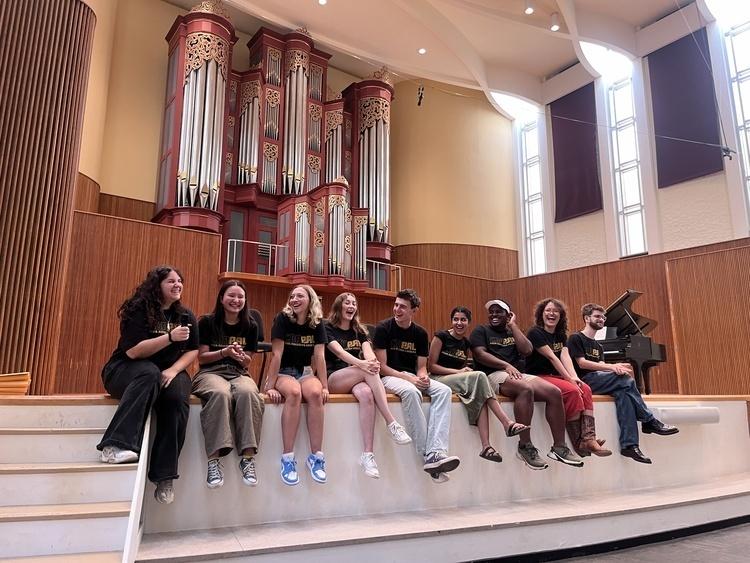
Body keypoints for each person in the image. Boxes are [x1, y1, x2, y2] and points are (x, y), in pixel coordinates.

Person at [97, 266, 198, 504]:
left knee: (176, 399)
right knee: (150, 373)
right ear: (157, 285)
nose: (177, 285)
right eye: (170, 281)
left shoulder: (185, 315)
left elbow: (193, 349)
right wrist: (170, 337)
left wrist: (174, 370)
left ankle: (164, 476)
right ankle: (114, 446)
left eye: (180, 281)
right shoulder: (138, 310)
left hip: (169, 371)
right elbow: (133, 351)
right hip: (126, 369)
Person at [470, 299, 582, 469]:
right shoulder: (481, 330)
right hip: (492, 374)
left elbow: (527, 350)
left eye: (498, 311)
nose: (494, 314)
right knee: (525, 388)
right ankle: (525, 446)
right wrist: (505, 365)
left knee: (554, 392)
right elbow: (479, 354)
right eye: (491, 311)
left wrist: (513, 326)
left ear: (508, 315)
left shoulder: (513, 332)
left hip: (516, 373)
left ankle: (559, 447)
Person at [567, 303, 679, 464]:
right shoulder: (576, 338)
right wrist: (613, 367)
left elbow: (601, 367)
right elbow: (582, 363)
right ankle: (649, 421)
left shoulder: (598, 345)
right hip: (583, 381)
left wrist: (615, 369)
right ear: (586, 318)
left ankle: (630, 445)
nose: (602, 319)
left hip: (599, 380)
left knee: (624, 393)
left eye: (603, 317)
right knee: (625, 380)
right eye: (597, 316)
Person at [373, 289, 460, 483]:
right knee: (412, 392)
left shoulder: (420, 333)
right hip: (389, 377)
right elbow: (383, 368)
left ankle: (437, 450)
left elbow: (421, 367)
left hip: (411, 376)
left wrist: (423, 377)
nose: (397, 309)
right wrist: (410, 379)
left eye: (403, 307)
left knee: (443, 390)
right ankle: (428, 454)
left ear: (414, 310)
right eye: (396, 305)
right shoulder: (383, 328)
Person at [324, 292, 412, 479]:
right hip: (335, 378)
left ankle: (368, 455)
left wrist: (372, 362)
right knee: (367, 370)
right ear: (339, 306)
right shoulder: (327, 327)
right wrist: (364, 365)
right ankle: (391, 422)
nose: (351, 305)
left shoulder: (360, 331)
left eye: (354, 303)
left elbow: (368, 353)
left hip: (358, 378)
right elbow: (338, 352)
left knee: (366, 395)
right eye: (347, 302)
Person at [428, 306, 529, 463]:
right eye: (456, 319)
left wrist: (462, 372)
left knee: (480, 392)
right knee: (480, 376)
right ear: (451, 321)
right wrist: (458, 373)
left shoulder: (465, 343)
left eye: (463, 320)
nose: (459, 323)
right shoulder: (441, 336)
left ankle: (486, 447)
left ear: (468, 322)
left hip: (457, 380)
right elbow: (431, 367)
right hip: (438, 379)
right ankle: (506, 422)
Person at [192, 280, 264, 489]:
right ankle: (214, 461)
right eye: (231, 296)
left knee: (249, 393)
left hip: (238, 372)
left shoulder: (251, 325)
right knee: (221, 394)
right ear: (221, 299)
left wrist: (241, 357)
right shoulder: (206, 322)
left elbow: (248, 361)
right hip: (210, 372)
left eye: (240, 297)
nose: (236, 300)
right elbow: (202, 358)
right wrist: (224, 352)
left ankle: (248, 459)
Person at [525, 298, 611, 459]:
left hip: (556, 375)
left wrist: (574, 377)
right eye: (548, 310)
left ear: (561, 315)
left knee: (585, 388)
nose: (551, 313)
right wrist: (570, 380)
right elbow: (552, 358)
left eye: (555, 311)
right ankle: (579, 442)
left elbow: (565, 357)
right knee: (572, 390)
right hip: (538, 376)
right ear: (541, 314)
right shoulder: (535, 332)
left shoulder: (560, 335)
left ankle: (589, 438)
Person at [263, 285, 328, 486]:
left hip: (305, 371)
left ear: (310, 300)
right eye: (292, 296)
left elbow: (320, 356)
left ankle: (316, 457)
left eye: (300, 296)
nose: (294, 299)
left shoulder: (317, 323)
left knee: (316, 394)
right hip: (284, 371)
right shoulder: (282, 319)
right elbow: (276, 355)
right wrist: (269, 386)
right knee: (294, 392)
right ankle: (288, 458)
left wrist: (325, 386)